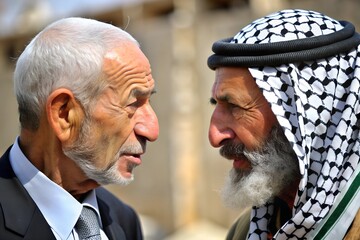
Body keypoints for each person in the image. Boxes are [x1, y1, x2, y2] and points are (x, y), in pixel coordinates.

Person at [0, 17, 159, 240]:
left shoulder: (123, 220)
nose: (152, 130)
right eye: (133, 104)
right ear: (64, 115)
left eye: (149, 101)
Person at [207, 9, 359, 239]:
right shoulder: (245, 231)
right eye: (215, 104)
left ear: (305, 117)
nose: (214, 136)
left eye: (235, 107)